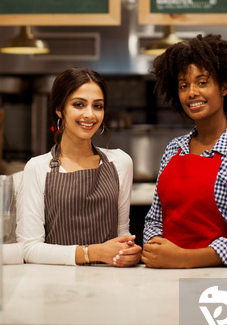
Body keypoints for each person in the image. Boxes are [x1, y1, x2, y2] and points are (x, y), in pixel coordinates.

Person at [142, 33, 227, 269]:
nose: (191, 92)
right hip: (164, 279)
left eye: (202, 82)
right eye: (184, 85)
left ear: (224, 87)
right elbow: (154, 220)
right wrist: (154, 246)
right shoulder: (173, 149)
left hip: (219, 286)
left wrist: (184, 259)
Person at [20, 68, 142, 267]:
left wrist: (128, 252)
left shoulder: (121, 163)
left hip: (110, 282)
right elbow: (30, 248)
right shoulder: (37, 168)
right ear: (60, 109)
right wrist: (94, 252)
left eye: (98, 106)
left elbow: (122, 232)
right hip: (56, 285)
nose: (90, 115)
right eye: (79, 104)